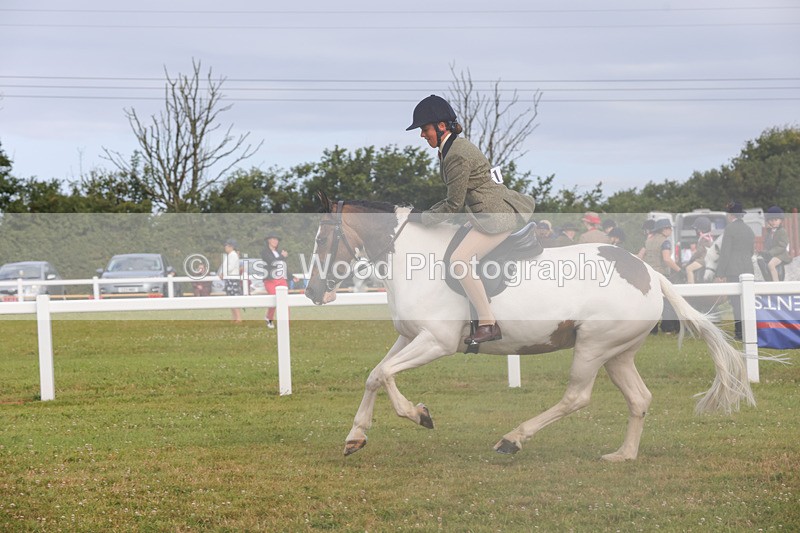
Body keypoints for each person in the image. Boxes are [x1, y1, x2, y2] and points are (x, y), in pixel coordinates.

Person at [406, 94, 536, 344]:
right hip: (485, 213)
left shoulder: (457, 154)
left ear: (441, 126)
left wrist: (422, 219)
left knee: (459, 261)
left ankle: (488, 324)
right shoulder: (450, 149)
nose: (422, 135)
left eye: (424, 129)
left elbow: (453, 204)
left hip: (495, 216)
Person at [715, 201, 755, 340]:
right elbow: (751, 251)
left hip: (733, 270)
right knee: (747, 302)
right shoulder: (749, 229)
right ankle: (748, 330)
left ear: (730, 215)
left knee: (736, 303)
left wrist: (720, 272)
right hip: (748, 269)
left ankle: (739, 332)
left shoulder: (730, 229)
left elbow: (725, 252)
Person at [642, 218, 681, 333]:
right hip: (662, 274)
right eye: (670, 228)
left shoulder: (648, 240)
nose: (671, 231)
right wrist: (679, 270)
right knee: (667, 301)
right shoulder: (665, 242)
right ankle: (667, 327)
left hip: (649, 274)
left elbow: (642, 256)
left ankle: (651, 329)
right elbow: (667, 259)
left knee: (651, 301)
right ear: (664, 229)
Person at [261, 234, 289, 328]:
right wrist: (282, 256)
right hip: (270, 280)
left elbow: (282, 266)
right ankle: (269, 318)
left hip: (281, 279)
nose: (276, 241)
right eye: (273, 239)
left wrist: (291, 276)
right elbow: (272, 262)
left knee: (285, 300)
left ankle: (284, 322)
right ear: (269, 240)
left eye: (277, 240)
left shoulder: (278, 252)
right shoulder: (265, 252)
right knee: (273, 300)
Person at [762, 206, 791, 282]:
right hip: (773, 253)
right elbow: (767, 244)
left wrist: (771, 252)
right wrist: (764, 252)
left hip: (781, 254)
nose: (773, 222)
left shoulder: (782, 231)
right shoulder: (770, 232)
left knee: (771, 265)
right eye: (771, 220)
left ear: (780, 221)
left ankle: (776, 283)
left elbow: (782, 246)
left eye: (776, 220)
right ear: (768, 221)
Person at [684, 216, 713, 284]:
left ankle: (691, 287)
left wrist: (691, 259)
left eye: (696, 229)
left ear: (701, 229)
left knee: (689, 269)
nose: (695, 231)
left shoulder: (705, 239)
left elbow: (699, 252)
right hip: (703, 259)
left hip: (703, 260)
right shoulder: (707, 237)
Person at [222, 238, 242, 323]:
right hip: (229, 278)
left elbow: (231, 267)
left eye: (227, 245)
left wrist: (224, 273)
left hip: (232, 279)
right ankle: (234, 317)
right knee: (230, 298)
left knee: (234, 298)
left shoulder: (233, 255)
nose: (225, 247)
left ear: (231, 246)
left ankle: (238, 317)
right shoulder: (230, 255)